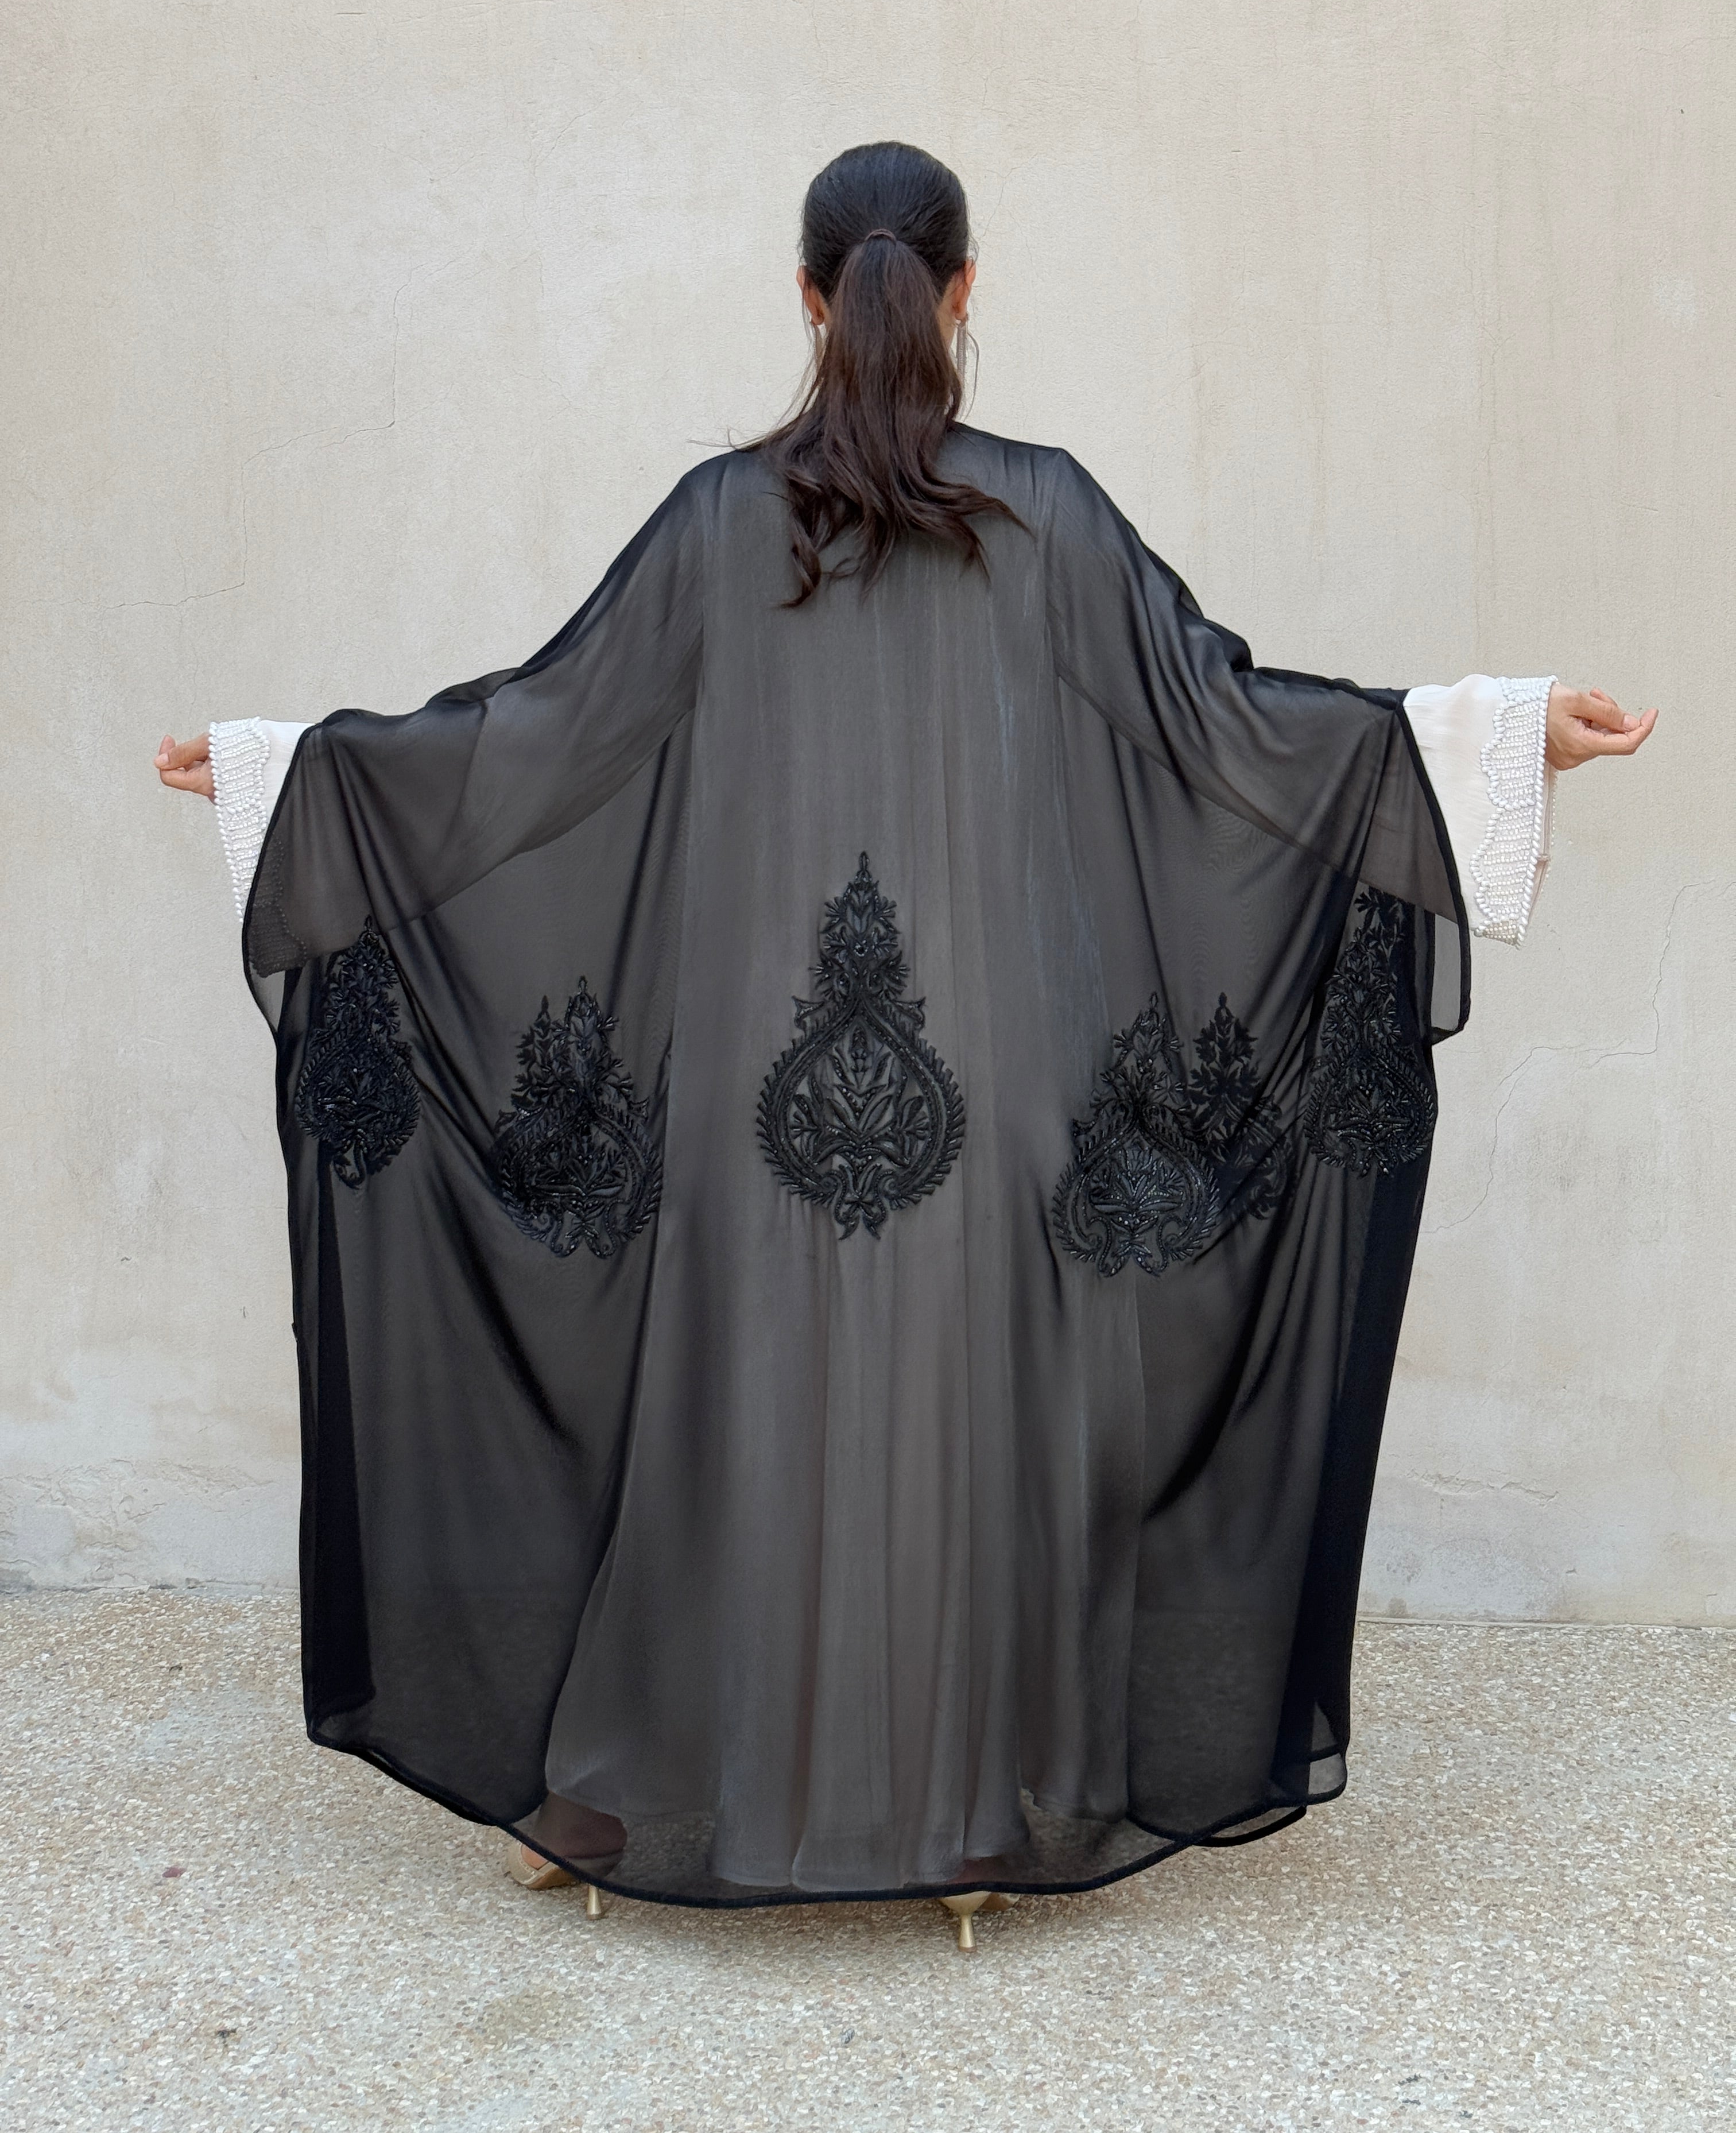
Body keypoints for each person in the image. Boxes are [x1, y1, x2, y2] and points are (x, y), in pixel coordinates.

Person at [155, 142, 1654, 1950]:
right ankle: (962, 1819)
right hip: (988, 1082)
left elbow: (522, 747)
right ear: (964, 289)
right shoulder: (1047, 517)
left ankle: (645, 1777)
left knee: (739, 1415)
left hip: (752, 1085)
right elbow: (1238, 730)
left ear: (808, 296)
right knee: (969, 1426)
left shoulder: (715, 524)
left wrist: (296, 777)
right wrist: (1489, 737)